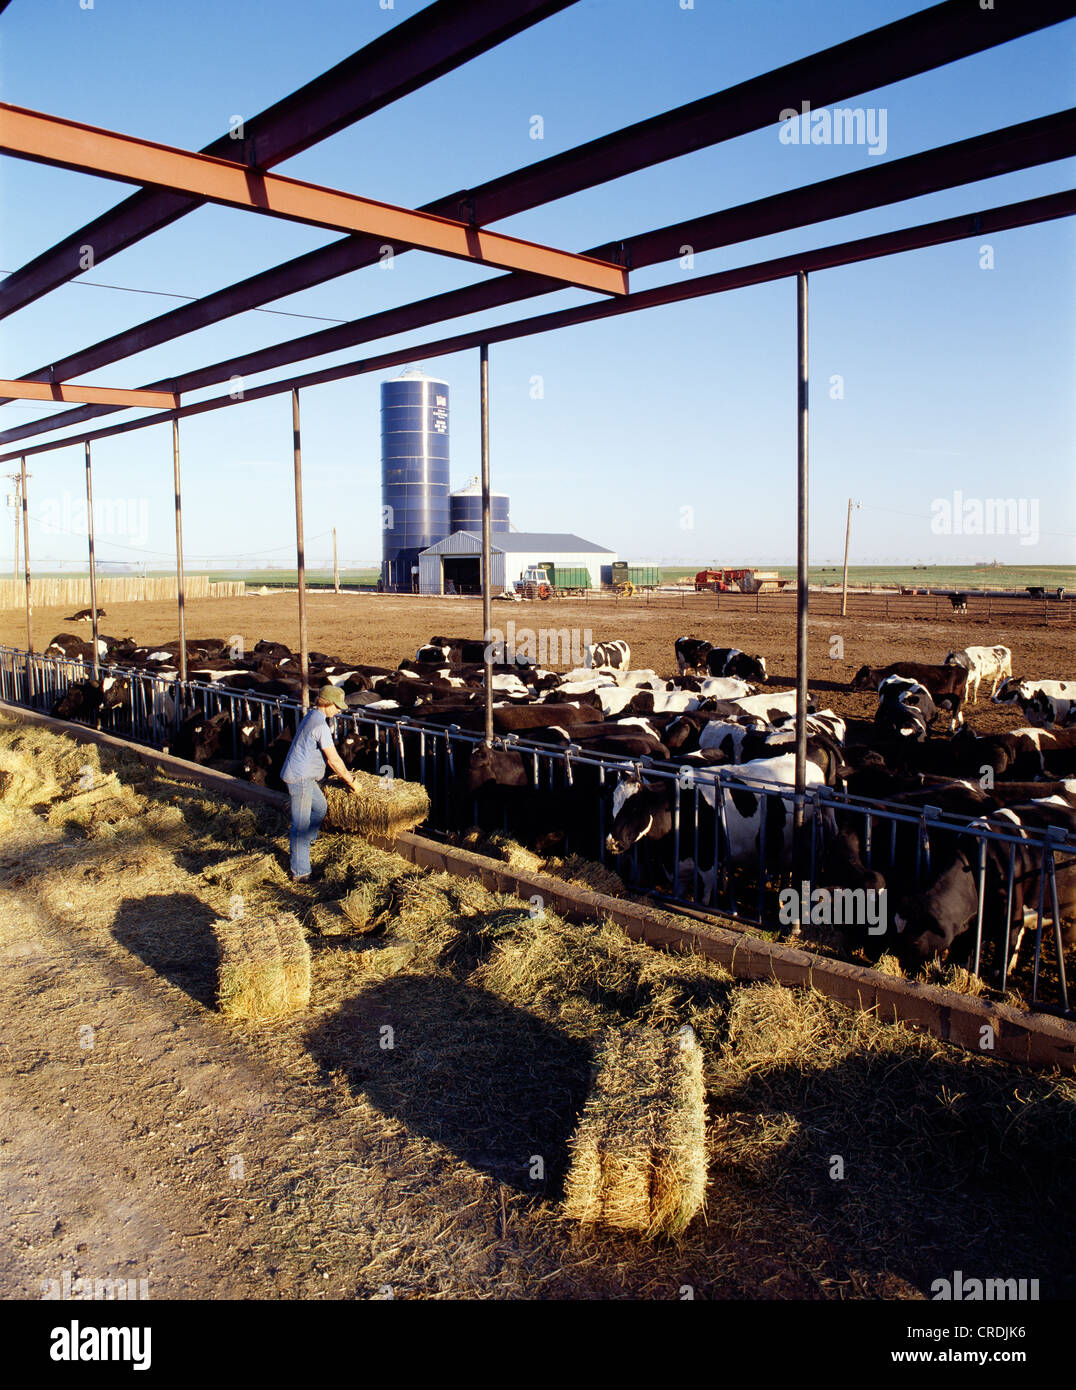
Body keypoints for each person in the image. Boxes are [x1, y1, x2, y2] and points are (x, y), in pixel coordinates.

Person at [280, 684, 359, 882]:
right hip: (301, 778)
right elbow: (334, 760)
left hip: (303, 776)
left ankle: (306, 844)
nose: (339, 711)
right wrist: (352, 782)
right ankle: (301, 872)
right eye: (337, 706)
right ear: (327, 703)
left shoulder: (312, 716)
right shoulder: (320, 725)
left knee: (320, 807)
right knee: (300, 826)